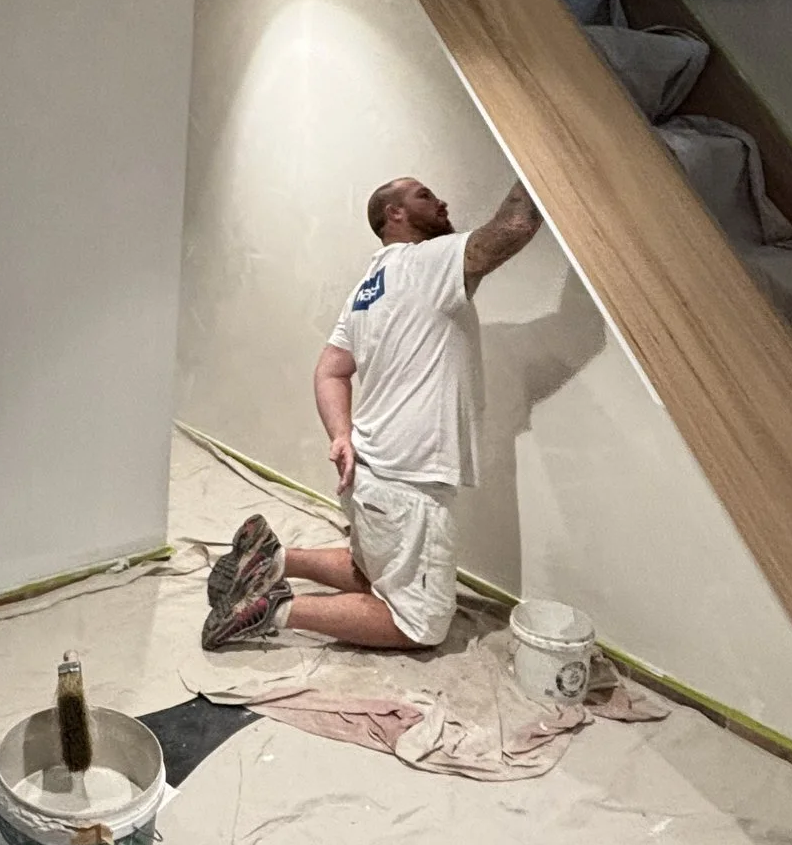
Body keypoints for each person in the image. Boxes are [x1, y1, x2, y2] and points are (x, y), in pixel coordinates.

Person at [202, 175, 542, 650]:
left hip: (367, 470)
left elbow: (329, 370)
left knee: (371, 570)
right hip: (409, 481)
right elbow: (516, 224)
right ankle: (269, 610)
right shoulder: (428, 261)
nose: (441, 201)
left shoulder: (369, 286)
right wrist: (540, 157)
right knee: (419, 625)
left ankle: (272, 560)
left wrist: (340, 436)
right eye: (424, 195)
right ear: (394, 215)